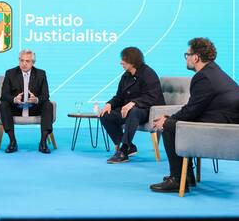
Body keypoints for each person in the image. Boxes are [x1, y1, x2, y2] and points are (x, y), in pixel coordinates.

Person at [150, 37, 239, 193]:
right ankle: (187, 177)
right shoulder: (214, 71)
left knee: (170, 126)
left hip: (223, 126)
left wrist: (167, 120)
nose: (187, 58)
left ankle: (177, 179)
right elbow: (194, 109)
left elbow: (191, 111)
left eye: (187, 54)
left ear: (196, 57)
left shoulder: (203, 77)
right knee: (175, 122)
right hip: (227, 121)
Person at [100, 47, 165, 164]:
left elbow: (152, 97)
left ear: (132, 60)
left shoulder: (148, 74)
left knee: (134, 111)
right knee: (105, 115)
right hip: (129, 110)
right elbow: (119, 97)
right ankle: (130, 147)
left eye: (123, 59)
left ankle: (124, 150)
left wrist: (133, 103)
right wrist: (109, 104)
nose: (121, 62)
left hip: (148, 110)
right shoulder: (126, 76)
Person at [0, 49, 53, 154]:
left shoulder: (41, 74)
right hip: (16, 108)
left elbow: (46, 95)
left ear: (33, 63)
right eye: (21, 60)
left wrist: (36, 99)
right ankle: (12, 142)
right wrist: (14, 99)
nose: (24, 63)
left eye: (27, 61)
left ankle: (43, 143)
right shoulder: (10, 73)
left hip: (34, 108)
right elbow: (4, 95)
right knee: (4, 105)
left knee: (48, 105)